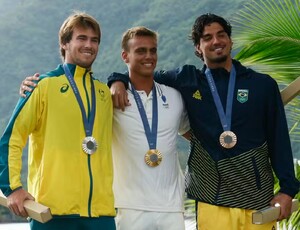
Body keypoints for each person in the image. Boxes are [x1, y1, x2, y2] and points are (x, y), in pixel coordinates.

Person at [106, 14, 299, 230]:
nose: (216, 41)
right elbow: (143, 71)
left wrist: (287, 190)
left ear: (230, 40)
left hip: (256, 198)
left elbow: (279, 139)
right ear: (198, 47)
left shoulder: (262, 85)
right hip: (211, 200)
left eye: (221, 35)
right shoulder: (187, 80)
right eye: (207, 37)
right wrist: (117, 80)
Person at [19, 26, 190, 230]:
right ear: (125, 56)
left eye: (153, 50)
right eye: (140, 51)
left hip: (172, 207)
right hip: (126, 207)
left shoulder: (175, 97)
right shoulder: (110, 99)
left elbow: (196, 135)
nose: (148, 56)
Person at [0, 11, 116, 230]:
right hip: (52, 214)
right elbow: (12, 138)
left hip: (101, 214)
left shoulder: (104, 93)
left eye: (94, 40)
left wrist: (119, 81)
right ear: (64, 43)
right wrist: (12, 187)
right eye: (81, 38)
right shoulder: (43, 86)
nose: (89, 45)